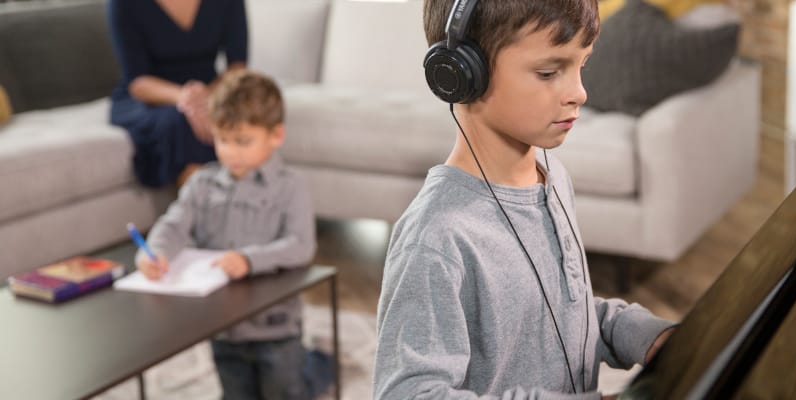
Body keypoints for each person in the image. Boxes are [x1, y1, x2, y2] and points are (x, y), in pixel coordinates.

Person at [373, 0, 676, 399]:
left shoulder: (552, 180)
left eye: (581, 65)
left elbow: (563, 315)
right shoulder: (437, 236)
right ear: (463, 74)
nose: (579, 93)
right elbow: (407, 393)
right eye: (549, 72)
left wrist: (642, 335)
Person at [135, 70, 325, 400]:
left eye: (243, 141)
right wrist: (155, 251)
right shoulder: (202, 184)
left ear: (275, 135)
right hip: (224, 330)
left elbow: (301, 246)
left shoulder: (291, 186)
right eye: (223, 140)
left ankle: (320, 363)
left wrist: (250, 260)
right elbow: (174, 224)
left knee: (288, 392)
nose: (231, 152)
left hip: (275, 329)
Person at [107, 0, 248, 187]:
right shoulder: (123, 4)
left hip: (212, 90)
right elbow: (138, 81)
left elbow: (237, 67)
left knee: (246, 113)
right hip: (149, 98)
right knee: (181, 122)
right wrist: (186, 98)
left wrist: (207, 98)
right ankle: (205, 210)